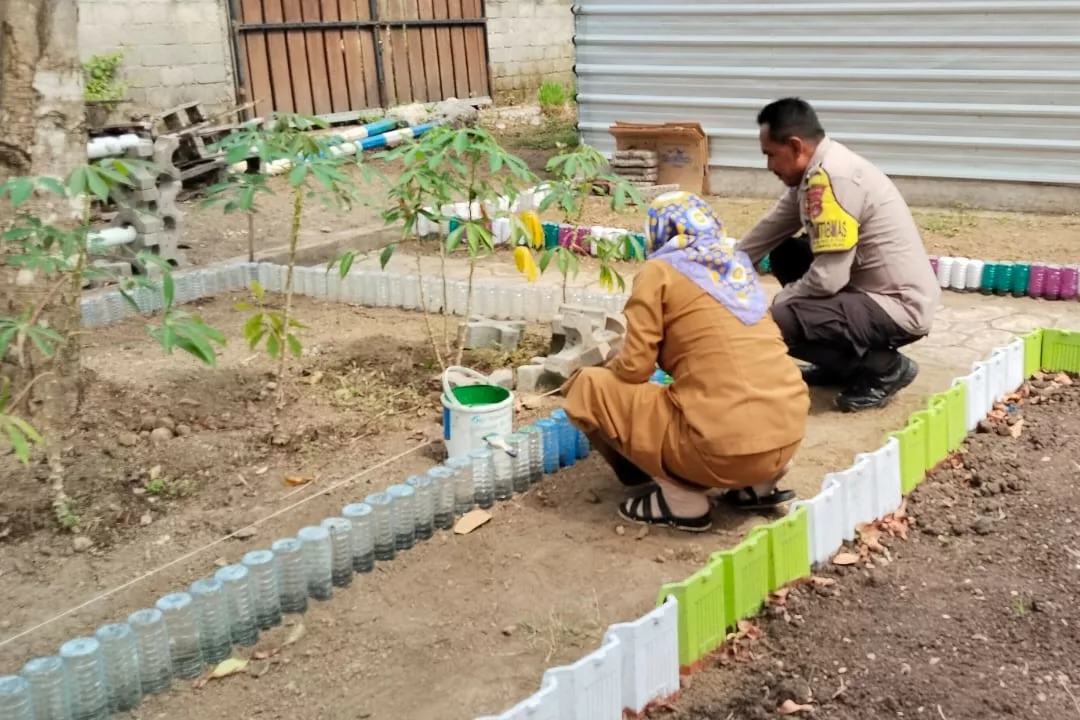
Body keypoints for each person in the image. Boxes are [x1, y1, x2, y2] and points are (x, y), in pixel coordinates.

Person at [561, 192, 809, 533]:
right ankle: (757, 487)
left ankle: (679, 495)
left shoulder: (659, 271)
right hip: (786, 435)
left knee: (588, 386)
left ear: (658, 233)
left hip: (717, 447)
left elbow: (635, 369)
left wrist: (611, 367)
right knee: (730, 390)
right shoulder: (736, 267)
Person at [737, 98, 940, 413]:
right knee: (786, 254)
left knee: (782, 320)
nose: (769, 167)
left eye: (771, 155)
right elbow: (773, 225)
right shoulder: (818, 169)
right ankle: (840, 367)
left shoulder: (831, 180)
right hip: (869, 290)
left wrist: (776, 308)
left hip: (898, 305)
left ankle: (884, 368)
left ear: (795, 146)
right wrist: (724, 266)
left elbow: (828, 279)